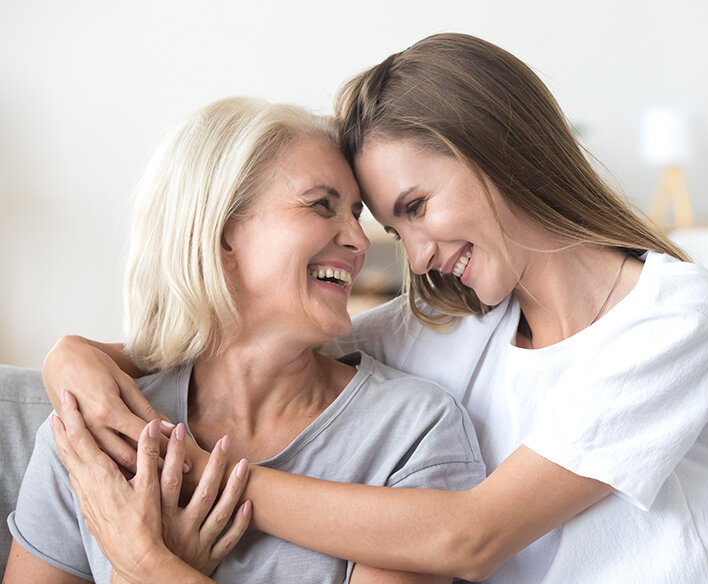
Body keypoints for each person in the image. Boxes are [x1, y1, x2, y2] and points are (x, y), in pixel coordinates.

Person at [36, 33, 708, 582]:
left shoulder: (679, 317)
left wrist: (193, 485)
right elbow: (256, 338)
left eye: (417, 205)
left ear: (500, 149)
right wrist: (77, 354)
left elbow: (470, 537)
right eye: (397, 226)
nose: (414, 255)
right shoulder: (460, 327)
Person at [4, 97, 485, 583]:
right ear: (220, 238)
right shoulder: (95, 431)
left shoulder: (410, 433)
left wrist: (148, 568)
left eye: (357, 214)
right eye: (322, 205)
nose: (360, 241)